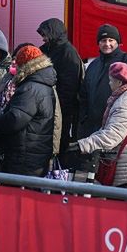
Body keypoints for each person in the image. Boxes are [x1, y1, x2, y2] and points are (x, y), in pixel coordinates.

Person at [73, 61, 127, 190]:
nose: (109, 83)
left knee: (125, 208)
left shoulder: (126, 101)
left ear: (120, 82)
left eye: (111, 80)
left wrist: (82, 145)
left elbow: (112, 135)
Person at [0, 44, 60, 177]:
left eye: (17, 63)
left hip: (24, 155)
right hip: (34, 153)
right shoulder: (43, 85)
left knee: (17, 194)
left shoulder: (30, 88)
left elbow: (14, 120)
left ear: (25, 65)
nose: (15, 66)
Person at [77, 25, 127, 148]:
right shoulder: (93, 65)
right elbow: (84, 95)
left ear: (118, 42)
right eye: (103, 40)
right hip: (93, 129)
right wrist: (84, 120)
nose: (107, 44)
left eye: (111, 40)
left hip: (119, 129)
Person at [36, 18, 82, 153]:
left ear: (54, 33)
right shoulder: (45, 50)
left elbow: (70, 86)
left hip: (61, 108)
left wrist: (58, 106)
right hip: (46, 105)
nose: (43, 38)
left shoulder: (68, 52)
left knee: (60, 142)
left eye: (45, 35)